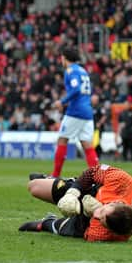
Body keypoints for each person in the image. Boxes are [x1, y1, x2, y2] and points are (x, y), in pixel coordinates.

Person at [19, 162, 132, 242]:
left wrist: (86, 214)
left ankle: (47, 222)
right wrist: (73, 192)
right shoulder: (123, 182)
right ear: (116, 203)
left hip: (85, 221)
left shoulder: (102, 233)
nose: (97, 215)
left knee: (66, 230)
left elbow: (87, 231)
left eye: (101, 220)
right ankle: (62, 181)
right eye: (103, 211)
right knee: (33, 187)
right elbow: (93, 171)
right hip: (92, 190)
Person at [46, 46, 98, 178]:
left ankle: (55, 175)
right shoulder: (83, 71)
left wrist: (61, 102)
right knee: (86, 143)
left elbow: (75, 89)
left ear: (65, 58)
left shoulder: (70, 71)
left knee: (62, 139)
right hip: (87, 112)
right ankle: (97, 177)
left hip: (76, 111)